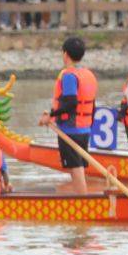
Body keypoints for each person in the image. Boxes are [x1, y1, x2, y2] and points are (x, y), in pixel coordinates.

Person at [38, 36, 96, 195]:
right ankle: (82, 198)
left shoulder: (69, 76)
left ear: (65, 54)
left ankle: (83, 202)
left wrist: (50, 115)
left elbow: (71, 103)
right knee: (78, 167)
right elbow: (93, 104)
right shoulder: (88, 74)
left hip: (71, 130)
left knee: (75, 167)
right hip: (84, 128)